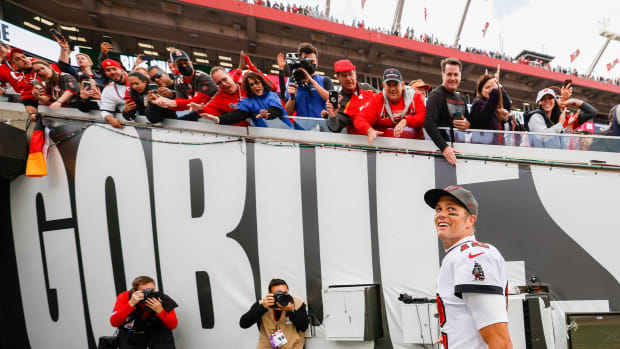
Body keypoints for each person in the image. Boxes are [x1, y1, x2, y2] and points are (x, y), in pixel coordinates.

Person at [423, 185, 512, 349]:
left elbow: (500, 341)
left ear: (470, 221)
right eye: (438, 209)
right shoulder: (459, 254)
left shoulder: (471, 256)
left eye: (451, 209)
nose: (441, 214)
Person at [354, 68, 426, 145]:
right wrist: (369, 130)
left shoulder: (414, 97)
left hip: (414, 147)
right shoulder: (377, 99)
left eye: (395, 84)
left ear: (402, 85)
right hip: (384, 147)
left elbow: (424, 116)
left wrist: (406, 121)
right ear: (384, 86)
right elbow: (360, 119)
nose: (392, 89)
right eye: (389, 85)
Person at [201, 71, 292, 128]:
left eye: (257, 82)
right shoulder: (247, 102)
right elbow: (237, 115)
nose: (255, 86)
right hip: (264, 138)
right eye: (251, 85)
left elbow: (275, 110)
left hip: (286, 134)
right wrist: (217, 119)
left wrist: (266, 114)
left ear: (262, 83)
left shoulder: (271, 96)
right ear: (249, 88)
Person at [424, 58, 471, 165]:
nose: (453, 78)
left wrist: (467, 124)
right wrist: (445, 148)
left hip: (459, 154)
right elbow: (429, 124)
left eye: (455, 74)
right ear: (443, 75)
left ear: (460, 76)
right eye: (449, 74)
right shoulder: (436, 95)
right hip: (439, 155)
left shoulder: (462, 99)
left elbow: (470, 123)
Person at [110, 275, 178, 349]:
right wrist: (130, 304)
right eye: (145, 291)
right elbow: (114, 322)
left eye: (152, 290)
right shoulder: (125, 296)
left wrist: (160, 311)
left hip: (156, 332)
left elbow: (173, 325)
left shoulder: (161, 298)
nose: (149, 294)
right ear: (135, 291)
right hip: (134, 333)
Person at [239, 278, 308, 349]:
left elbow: (304, 327)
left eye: (285, 293)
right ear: (270, 294)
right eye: (278, 294)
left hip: (293, 346)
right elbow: (243, 323)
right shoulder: (263, 304)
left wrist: (292, 311)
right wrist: (262, 307)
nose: (282, 296)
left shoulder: (297, 303)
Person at [284, 43, 334, 129]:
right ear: (300, 62)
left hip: (323, 132)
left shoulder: (325, 80)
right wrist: (292, 97)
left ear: (317, 61)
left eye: (312, 61)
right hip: (301, 133)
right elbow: (288, 112)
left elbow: (332, 99)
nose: (310, 64)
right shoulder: (293, 81)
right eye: (306, 61)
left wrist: (311, 81)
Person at [153, 50, 218, 113]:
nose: (184, 65)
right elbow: (181, 103)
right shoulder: (179, 81)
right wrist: (166, 104)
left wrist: (172, 103)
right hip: (206, 114)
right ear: (174, 67)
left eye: (186, 63)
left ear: (191, 64)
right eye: (180, 64)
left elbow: (200, 101)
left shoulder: (202, 77)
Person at [322, 59, 376, 134]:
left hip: (382, 139)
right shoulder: (340, 102)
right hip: (361, 143)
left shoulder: (368, 88)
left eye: (350, 74)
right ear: (338, 77)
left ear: (355, 74)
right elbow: (335, 128)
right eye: (344, 75)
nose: (348, 78)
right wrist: (332, 115)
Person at [100, 59, 129, 128]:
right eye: (108, 70)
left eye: (114, 69)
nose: (112, 72)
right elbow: (105, 111)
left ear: (121, 70)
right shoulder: (108, 90)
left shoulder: (135, 79)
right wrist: (110, 119)